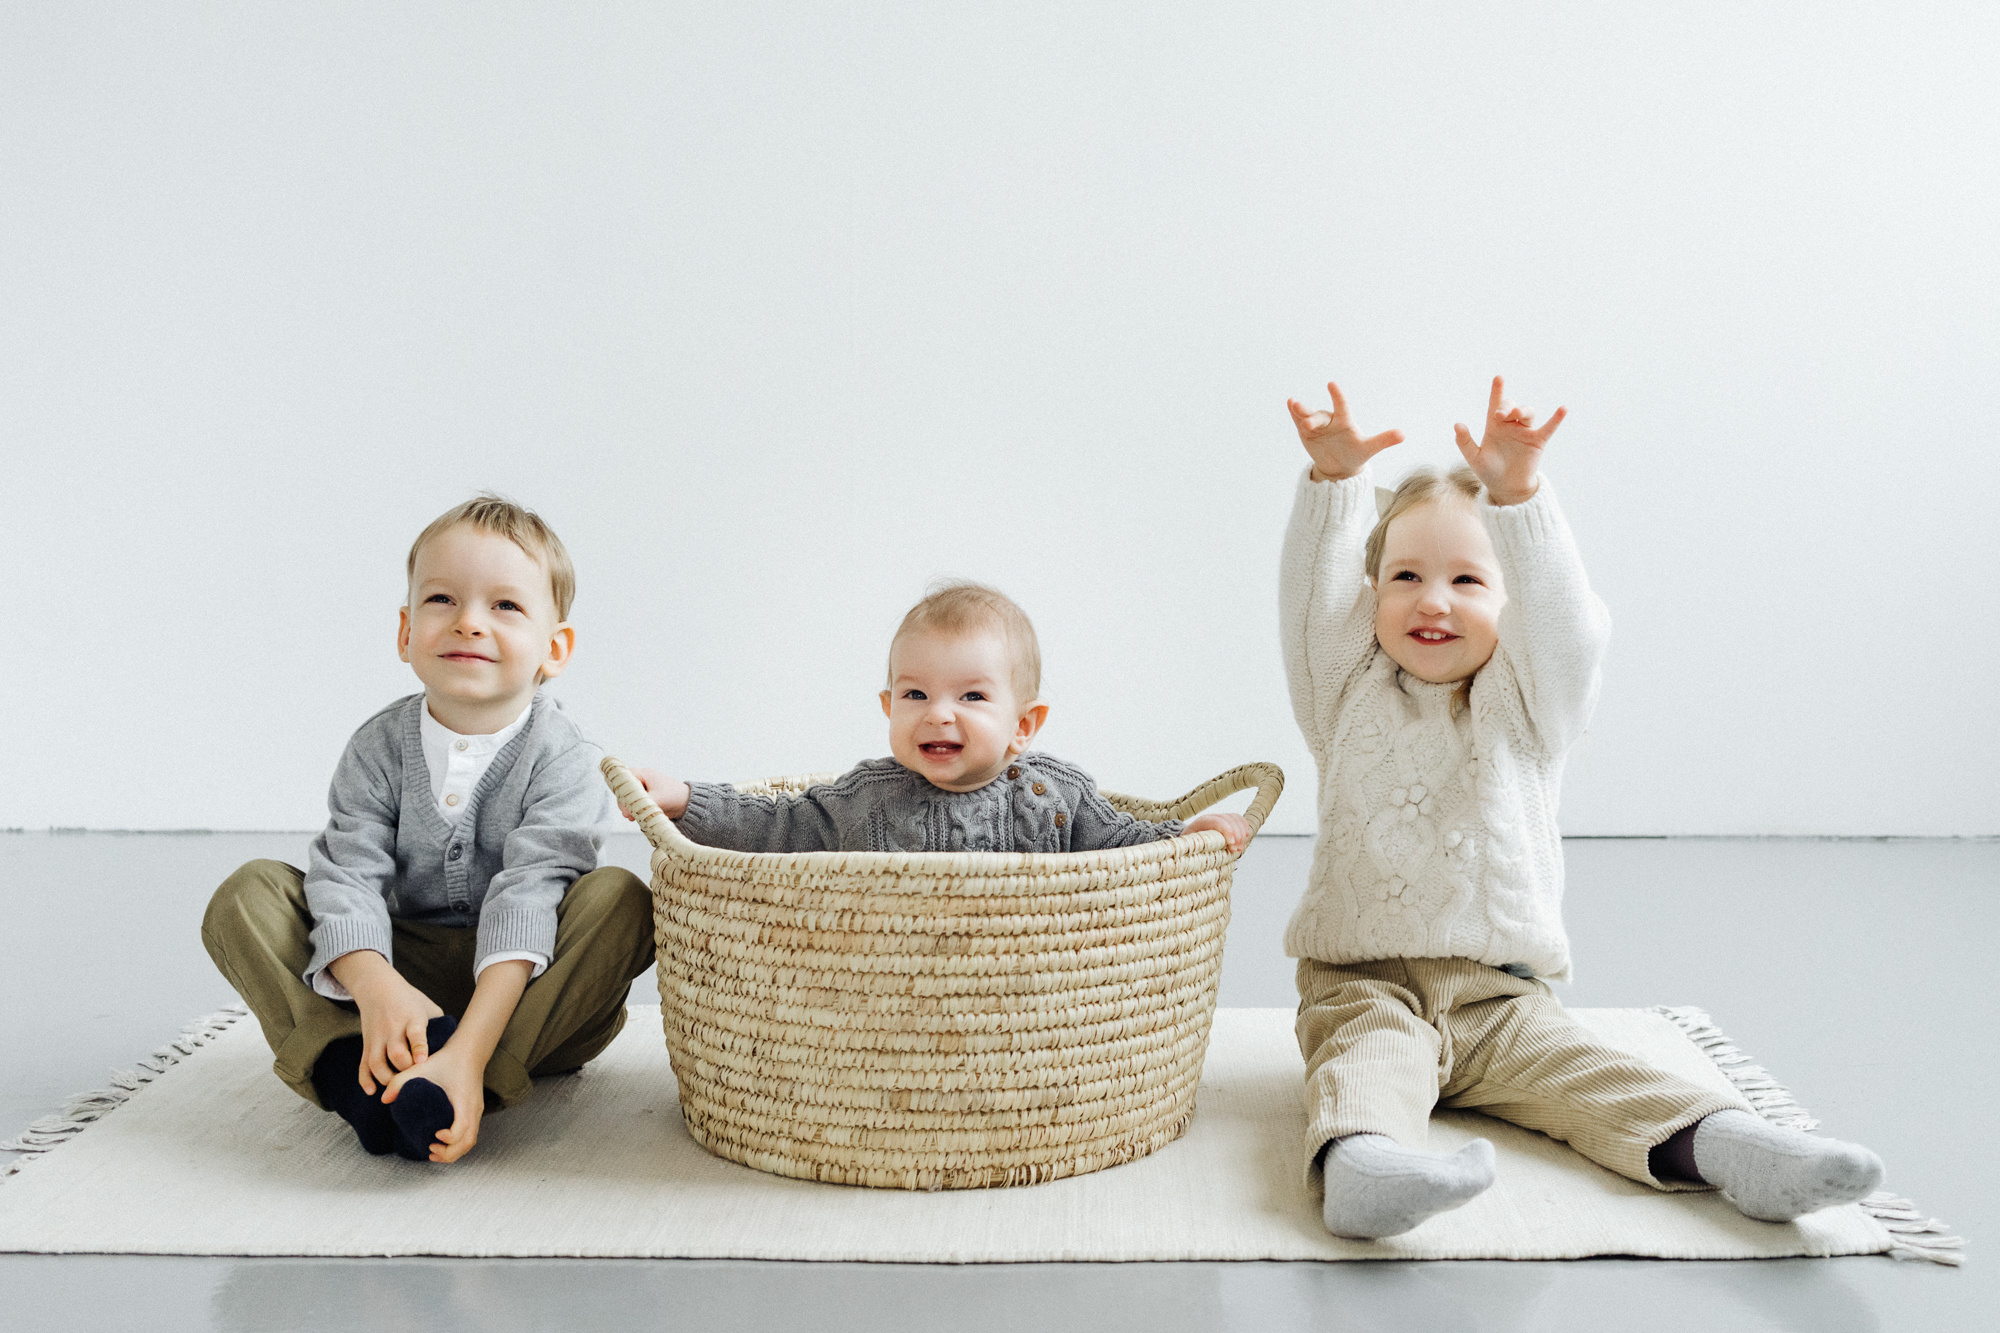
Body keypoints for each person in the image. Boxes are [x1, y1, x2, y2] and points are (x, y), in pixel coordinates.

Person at [1279, 376, 1884, 1238]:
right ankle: (1364, 1170)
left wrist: (1520, 498)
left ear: (1510, 602)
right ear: (1371, 591)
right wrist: (1335, 487)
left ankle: (1733, 1148)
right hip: (1362, 981)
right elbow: (1309, 608)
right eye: (1405, 574)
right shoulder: (1342, 689)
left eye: (1466, 579)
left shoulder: (1532, 701)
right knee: (1364, 1065)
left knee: (1590, 1073)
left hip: (1498, 997)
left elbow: (1569, 628)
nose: (1434, 598)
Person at [202, 496, 653, 1164]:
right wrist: (378, 987)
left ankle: (461, 1079)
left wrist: (464, 1052)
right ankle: (348, 1064)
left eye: (505, 606)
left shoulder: (564, 756)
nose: (469, 621)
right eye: (442, 599)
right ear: (406, 631)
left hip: (528, 994)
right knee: (248, 894)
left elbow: (529, 900)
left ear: (554, 648)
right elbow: (348, 876)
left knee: (621, 898)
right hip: (399, 972)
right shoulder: (378, 746)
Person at [630, 581, 1251, 855]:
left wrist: (1185, 836)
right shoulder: (867, 798)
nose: (939, 715)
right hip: (897, 993)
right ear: (888, 707)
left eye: (972, 698)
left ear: (1024, 727)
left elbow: (1122, 846)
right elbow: (779, 825)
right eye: (916, 695)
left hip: (1030, 991)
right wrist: (686, 799)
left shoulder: (1054, 794)